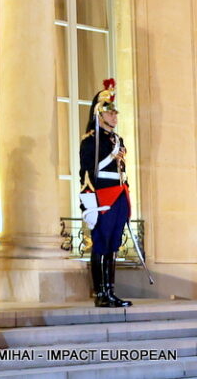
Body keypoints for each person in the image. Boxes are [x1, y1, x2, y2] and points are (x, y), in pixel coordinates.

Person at [79, 78, 132, 308]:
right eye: (110, 114)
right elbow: (89, 171)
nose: (114, 117)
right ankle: (100, 293)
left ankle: (110, 290)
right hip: (103, 195)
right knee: (101, 243)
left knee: (113, 244)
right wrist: (112, 156)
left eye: (115, 114)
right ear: (99, 115)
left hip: (118, 194)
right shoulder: (91, 141)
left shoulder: (116, 139)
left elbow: (121, 170)